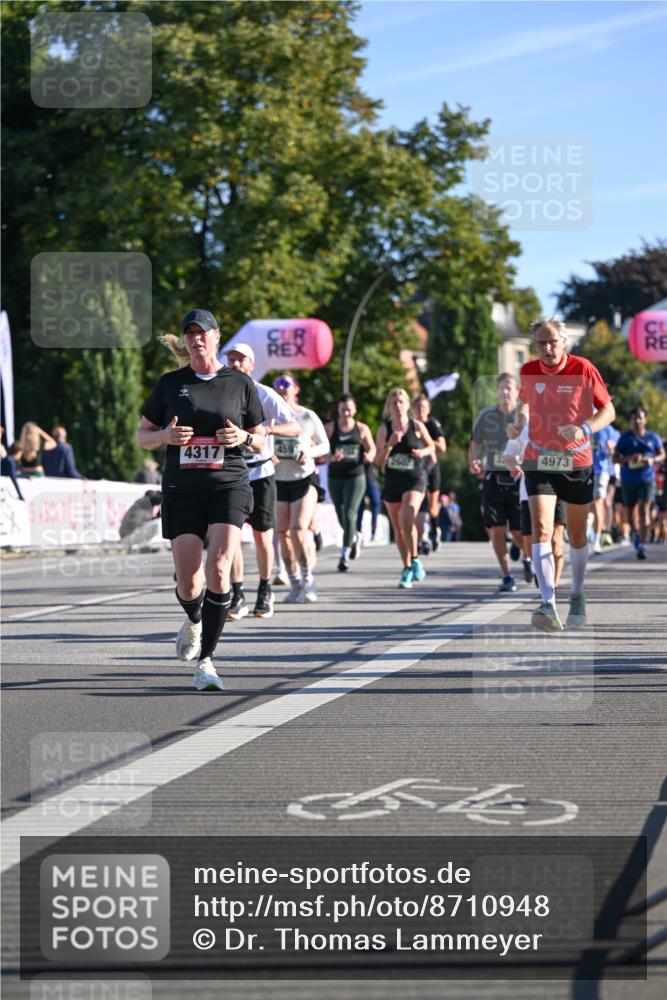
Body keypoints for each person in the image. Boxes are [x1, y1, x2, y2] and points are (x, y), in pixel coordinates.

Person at [136, 308, 265, 691]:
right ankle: (193, 620)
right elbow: (143, 434)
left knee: (220, 565)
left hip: (229, 484)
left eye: (203, 332)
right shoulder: (170, 384)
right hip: (182, 488)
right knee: (190, 582)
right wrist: (165, 439)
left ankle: (207, 660)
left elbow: (261, 438)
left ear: (216, 338)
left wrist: (242, 438)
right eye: (190, 333)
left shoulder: (240, 384)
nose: (196, 338)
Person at [507, 318, 615, 632]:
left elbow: (607, 410)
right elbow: (525, 403)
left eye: (553, 341)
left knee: (577, 537)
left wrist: (583, 429)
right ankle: (547, 601)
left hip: (576, 461)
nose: (548, 348)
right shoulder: (528, 371)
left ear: (564, 341)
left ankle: (578, 593)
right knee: (541, 528)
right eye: (541, 343)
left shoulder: (583, 368)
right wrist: (519, 423)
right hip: (539, 457)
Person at [223, 343, 300, 619]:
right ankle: (237, 594)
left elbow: (295, 426)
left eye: (240, 360)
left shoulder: (264, 394)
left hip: (261, 472)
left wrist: (268, 429)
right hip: (232, 472)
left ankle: (266, 589)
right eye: (230, 359)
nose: (234, 364)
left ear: (251, 364)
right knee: (231, 535)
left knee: (262, 535)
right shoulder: (220, 392)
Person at [272, 372, 330, 603]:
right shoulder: (270, 418)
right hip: (279, 481)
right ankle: (294, 582)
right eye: (277, 384)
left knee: (297, 530)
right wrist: (269, 455)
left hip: (304, 479)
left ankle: (308, 580)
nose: (282, 388)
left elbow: (325, 444)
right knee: (282, 534)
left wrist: (309, 453)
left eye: (286, 383)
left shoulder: (307, 416)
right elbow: (260, 442)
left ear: (296, 388)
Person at [469, 374, 525, 592]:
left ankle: (527, 559)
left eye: (509, 388)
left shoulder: (522, 416)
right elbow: (474, 443)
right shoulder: (486, 416)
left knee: (520, 534)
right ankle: (507, 575)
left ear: (517, 391)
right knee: (497, 530)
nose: (505, 392)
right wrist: (473, 461)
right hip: (493, 478)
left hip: (518, 479)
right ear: (497, 392)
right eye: (501, 388)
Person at [375, 387, 434, 588]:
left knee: (407, 518)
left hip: (414, 479)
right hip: (392, 481)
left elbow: (432, 446)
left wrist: (422, 452)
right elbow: (377, 460)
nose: (398, 405)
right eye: (394, 402)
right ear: (389, 406)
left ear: (408, 405)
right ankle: (407, 567)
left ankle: (415, 559)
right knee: (399, 530)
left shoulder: (416, 426)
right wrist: (390, 445)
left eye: (401, 401)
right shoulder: (384, 429)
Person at [325, 394, 376, 571]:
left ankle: (344, 555)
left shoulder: (361, 429)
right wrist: (331, 457)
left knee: (348, 512)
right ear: (338, 410)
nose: (346, 413)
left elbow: (372, 449)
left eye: (349, 409)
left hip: (356, 476)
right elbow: (319, 452)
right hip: (335, 477)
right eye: (342, 410)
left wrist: (369, 455)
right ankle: (354, 536)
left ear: (354, 410)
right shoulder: (330, 428)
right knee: (341, 516)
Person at [613, 406, 665, 561]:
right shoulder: (625, 438)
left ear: (645, 419)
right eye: (634, 418)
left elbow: (661, 454)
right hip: (629, 480)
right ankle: (635, 534)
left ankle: (642, 545)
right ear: (631, 420)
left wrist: (652, 460)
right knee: (630, 513)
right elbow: (615, 458)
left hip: (647, 479)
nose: (637, 421)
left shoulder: (653, 437)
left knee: (644, 509)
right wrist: (629, 459)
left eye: (640, 418)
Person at [412, 394, 447, 552]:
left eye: (424, 407)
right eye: (418, 407)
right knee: (419, 506)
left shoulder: (432, 425)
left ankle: (435, 530)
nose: (421, 410)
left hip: (431, 468)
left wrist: (427, 440)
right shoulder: (410, 425)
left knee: (432, 508)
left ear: (428, 409)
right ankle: (421, 538)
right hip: (416, 470)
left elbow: (442, 447)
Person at [590, 423, 618, 553]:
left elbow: (616, 453)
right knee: (586, 505)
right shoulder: (584, 424)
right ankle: (588, 531)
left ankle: (596, 540)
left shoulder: (609, 430)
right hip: (582, 469)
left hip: (601, 470)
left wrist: (612, 449)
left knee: (597, 504)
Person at [356, 461, 382, 543]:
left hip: (371, 480)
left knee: (376, 504)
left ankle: (374, 533)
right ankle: (358, 533)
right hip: (360, 479)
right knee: (360, 507)